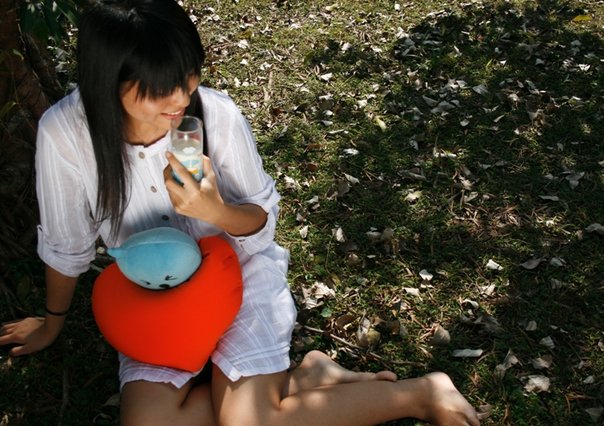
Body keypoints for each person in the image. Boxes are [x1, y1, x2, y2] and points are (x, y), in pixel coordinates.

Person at [0, 1, 480, 425]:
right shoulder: (67, 134)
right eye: (159, 88)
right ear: (108, 83)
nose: (180, 98)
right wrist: (51, 322)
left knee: (249, 423)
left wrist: (216, 211)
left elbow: (260, 224)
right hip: (154, 290)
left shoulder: (215, 116)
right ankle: (303, 378)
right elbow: (67, 243)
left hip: (237, 273)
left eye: (188, 75)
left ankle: (419, 394)